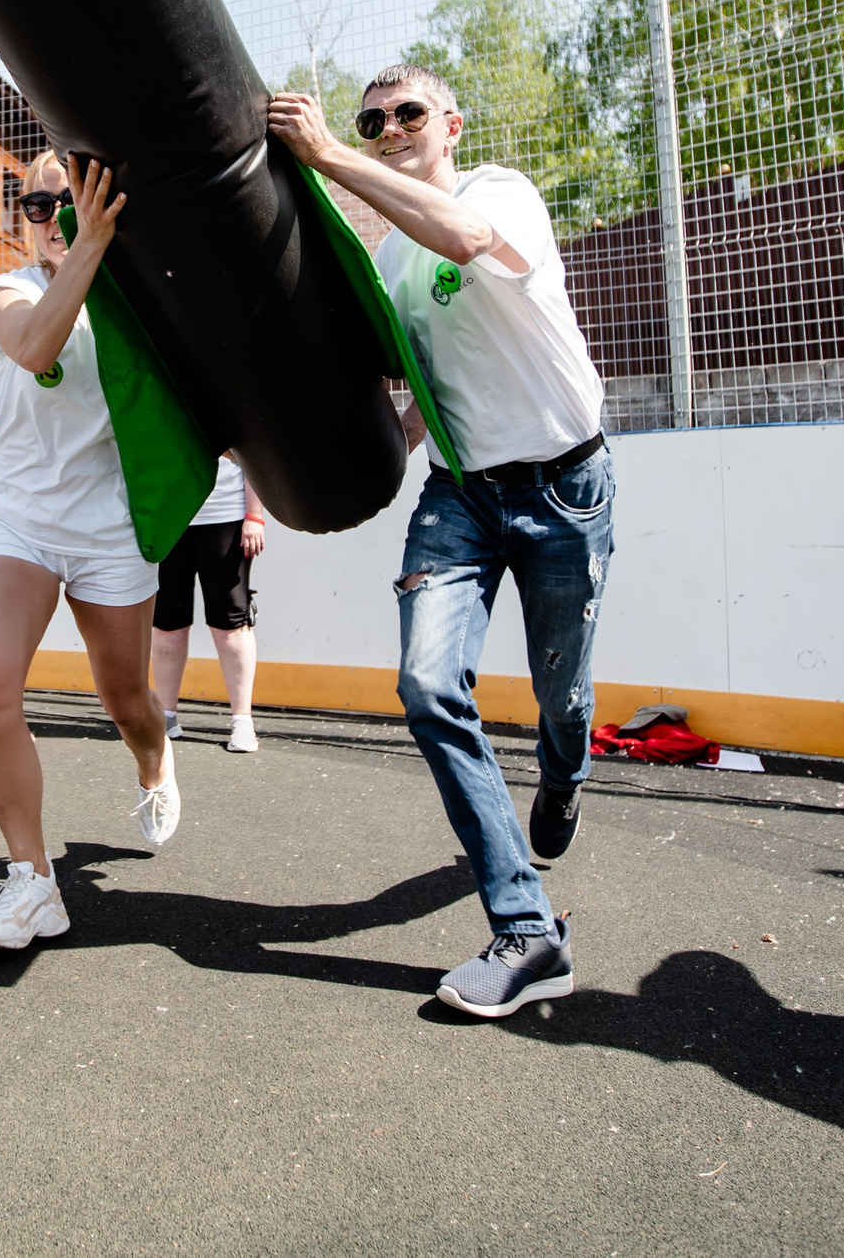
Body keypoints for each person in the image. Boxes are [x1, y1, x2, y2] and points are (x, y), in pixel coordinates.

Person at [269, 66, 612, 1019]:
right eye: (370, 121)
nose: (387, 129)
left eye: (406, 114)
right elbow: (413, 406)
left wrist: (327, 154)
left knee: (563, 691)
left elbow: (462, 237)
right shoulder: (388, 267)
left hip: (564, 486)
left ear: (450, 124)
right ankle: (528, 927)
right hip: (460, 494)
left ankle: (565, 766)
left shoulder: (497, 193)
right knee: (426, 685)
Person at [0, 149, 179, 950]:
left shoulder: (146, 302)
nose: (51, 217)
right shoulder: (7, 290)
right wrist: (84, 242)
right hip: (18, 518)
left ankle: (155, 762)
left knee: (126, 700)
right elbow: (36, 349)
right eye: (36, 205)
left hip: (111, 530)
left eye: (70, 200)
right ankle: (33, 882)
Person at [151, 459, 266, 753]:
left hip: (226, 516)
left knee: (230, 625)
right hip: (168, 517)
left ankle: (242, 720)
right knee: (168, 626)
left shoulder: (234, 409)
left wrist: (255, 515)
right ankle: (165, 716)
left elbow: (254, 452)